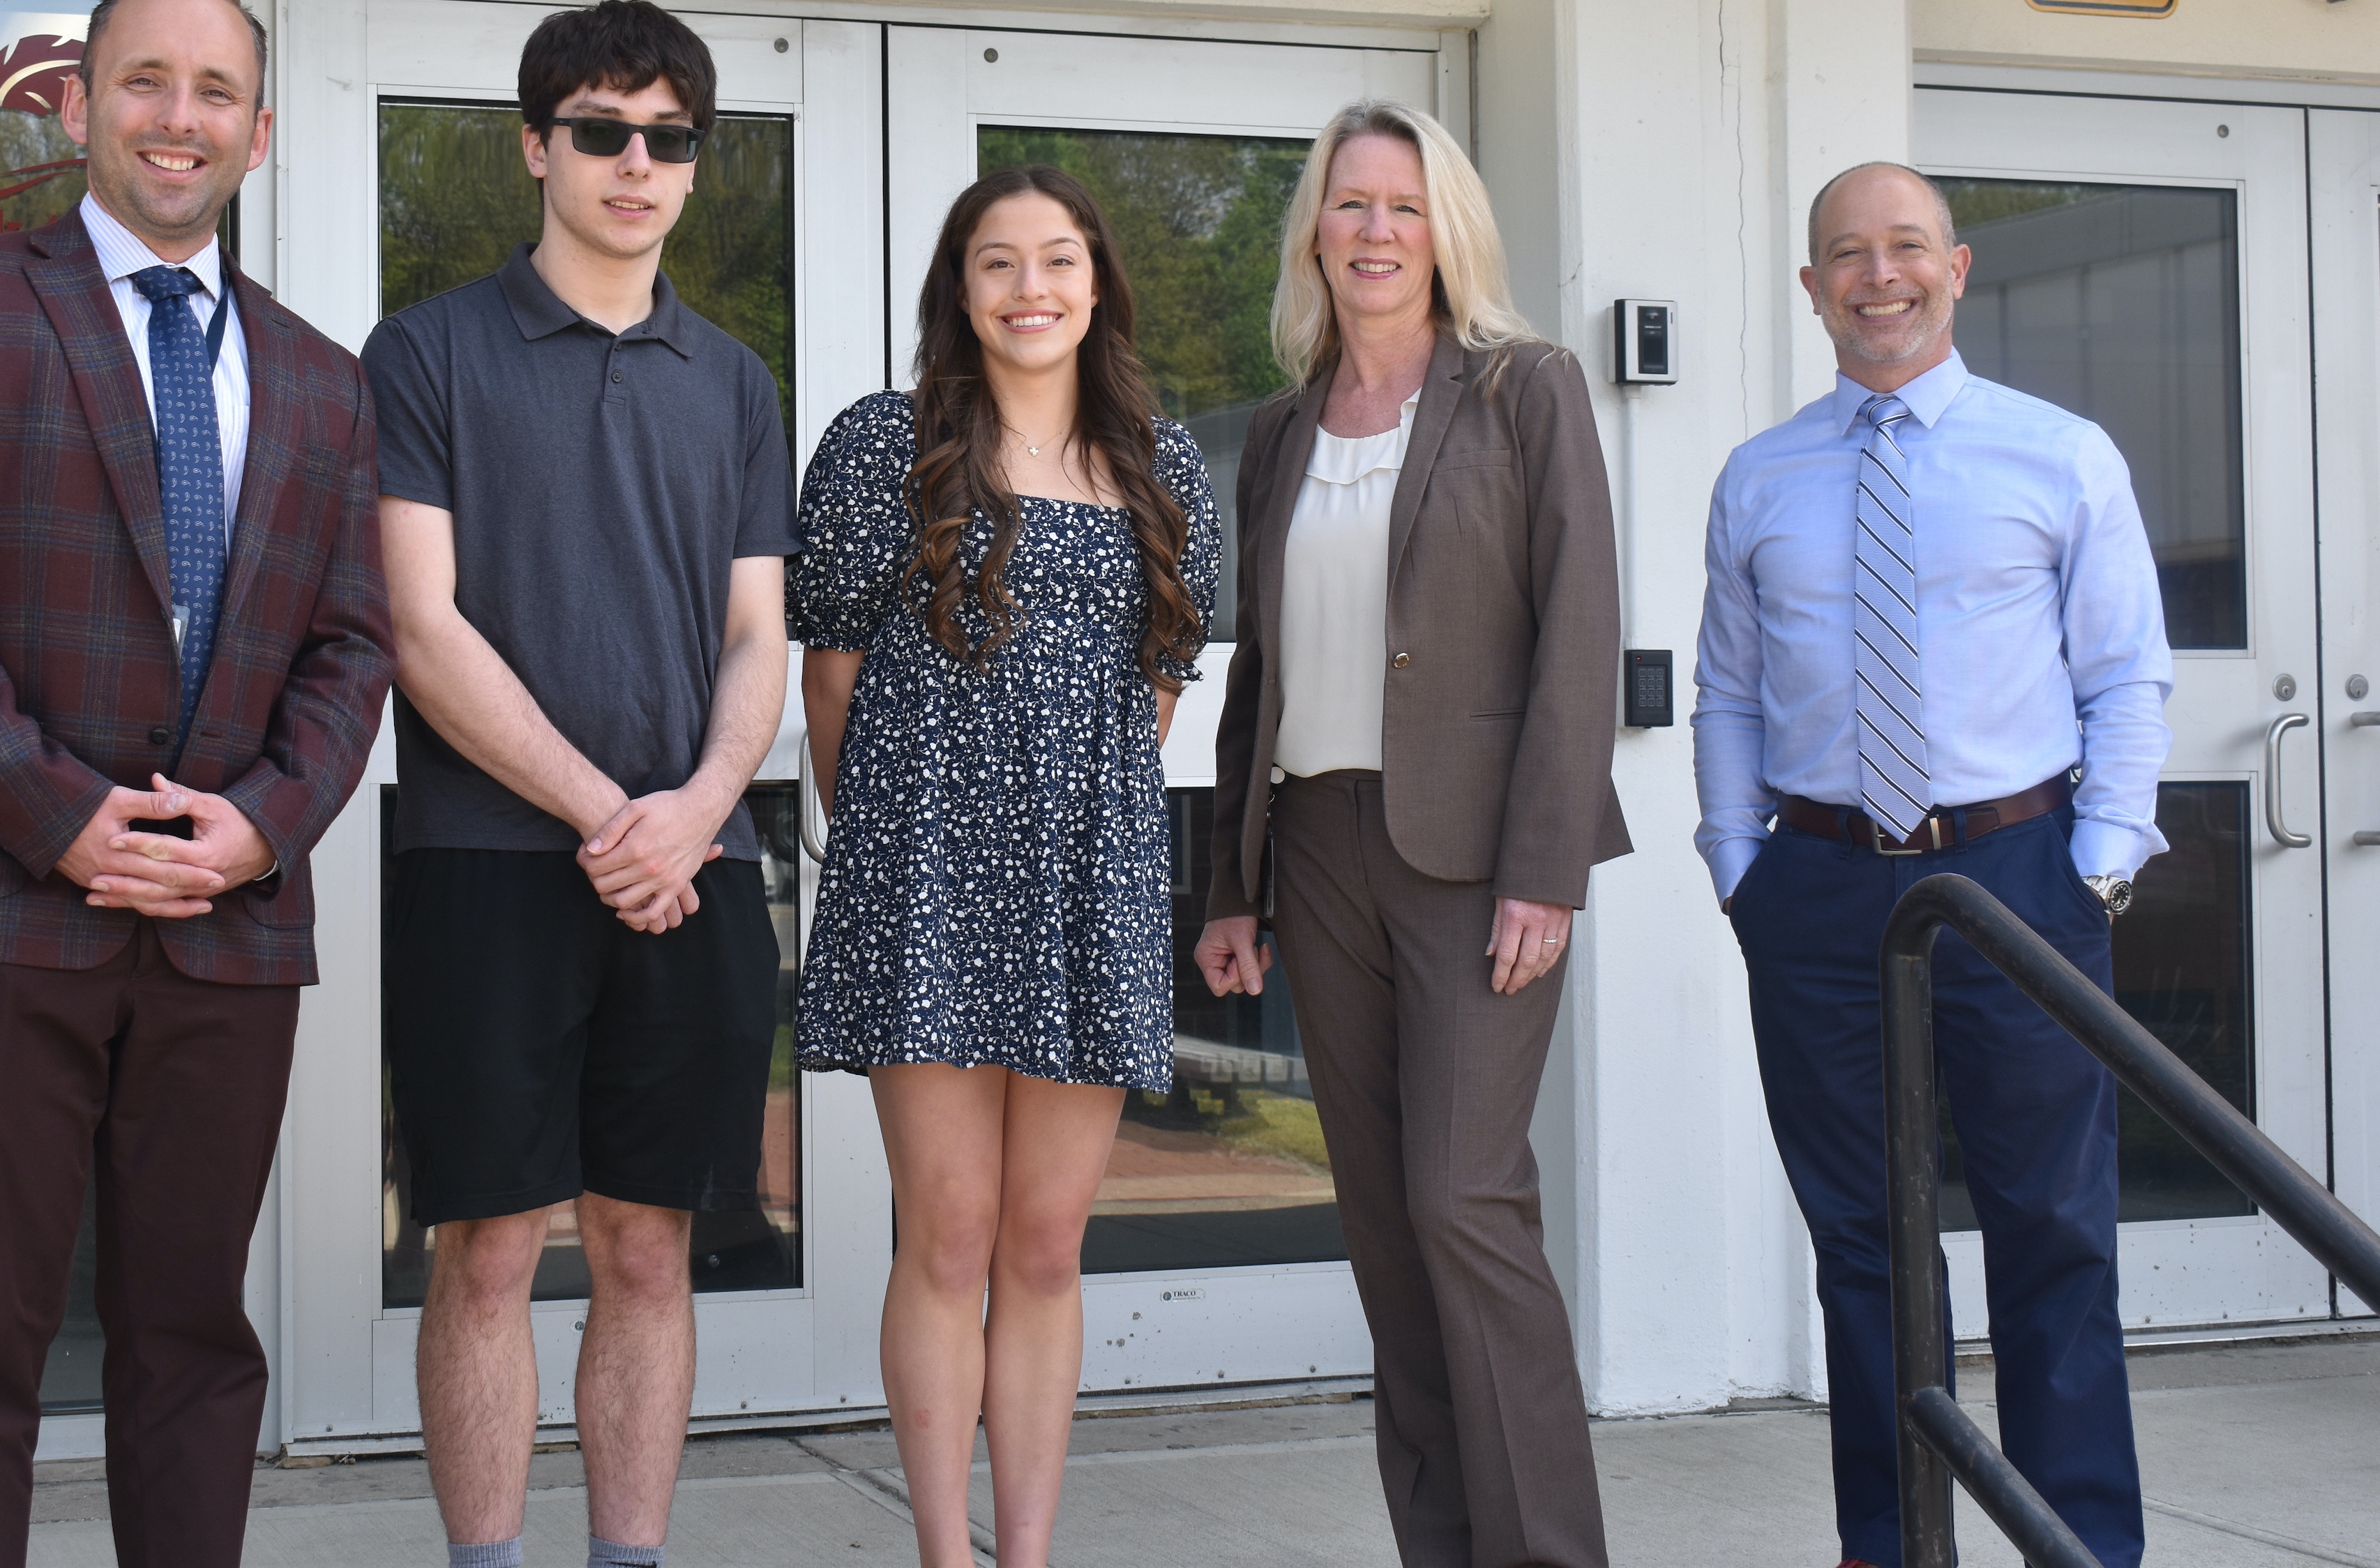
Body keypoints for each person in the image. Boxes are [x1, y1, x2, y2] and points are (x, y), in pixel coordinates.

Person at [0, 0, 393, 1568]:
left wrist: (259, 827)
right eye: (145, 81)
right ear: (78, 106)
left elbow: (354, 648)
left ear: (260, 134)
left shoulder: (320, 379)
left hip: (226, 922)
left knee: (195, 1344)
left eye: (214, 93)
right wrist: (62, 813)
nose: (177, 119)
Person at [368, 0, 797, 1568]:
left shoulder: (734, 380)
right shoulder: (424, 353)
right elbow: (421, 622)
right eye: (603, 130)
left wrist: (691, 806)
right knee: (484, 1248)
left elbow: (758, 630)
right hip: (489, 859)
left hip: (697, 866)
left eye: (669, 136)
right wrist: (604, 810)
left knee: (650, 1242)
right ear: (536, 145)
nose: (636, 162)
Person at [1692, 161, 2169, 1568]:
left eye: (1904, 246)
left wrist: (2092, 863)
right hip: (1822, 884)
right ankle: (1886, 1538)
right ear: (1809, 285)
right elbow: (1725, 691)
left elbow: (2126, 677)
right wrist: (1739, 866)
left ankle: (2079, 1541)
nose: (1876, 273)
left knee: (2050, 1230)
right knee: (1862, 1242)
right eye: (1846, 252)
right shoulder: (1757, 474)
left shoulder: (2058, 452)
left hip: (2014, 870)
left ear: (1956, 268)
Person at [1191, 98, 1627, 1568]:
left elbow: (1577, 635)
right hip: (1315, 851)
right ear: (1312, 228)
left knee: (1463, 1201)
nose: (1373, 231)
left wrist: (1543, 868)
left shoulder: (1525, 390)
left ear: (1444, 230)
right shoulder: (1276, 429)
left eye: (1400, 205)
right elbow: (1258, 673)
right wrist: (1230, 883)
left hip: (1473, 864)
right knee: (1386, 1230)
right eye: (1348, 203)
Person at [791, 164, 1219, 1568]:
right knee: (950, 1233)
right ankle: (940, 1550)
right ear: (959, 290)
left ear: (1096, 283)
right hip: (918, 875)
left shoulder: (1165, 468)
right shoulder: (881, 446)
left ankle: (1024, 1551)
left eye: (1055, 260)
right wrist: (892, 841)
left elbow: (1156, 686)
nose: (1028, 288)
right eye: (995, 262)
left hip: (1084, 885)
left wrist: (1067, 815)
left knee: (1042, 1243)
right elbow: (834, 672)